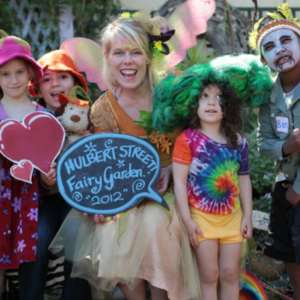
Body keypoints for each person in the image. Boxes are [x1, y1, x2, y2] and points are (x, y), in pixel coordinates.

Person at [49, 14, 203, 300]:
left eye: (135, 52)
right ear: (107, 57)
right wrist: (93, 198)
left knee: (156, 224)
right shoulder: (104, 109)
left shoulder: (170, 95)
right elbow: (99, 166)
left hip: (172, 190)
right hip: (124, 196)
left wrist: (171, 168)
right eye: (119, 52)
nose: (127, 61)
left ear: (148, 57)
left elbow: (198, 140)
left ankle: (161, 296)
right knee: (112, 229)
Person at [150, 54, 272, 300]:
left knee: (229, 275)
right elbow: (181, 182)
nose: (212, 102)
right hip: (202, 221)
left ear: (229, 105)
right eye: (204, 96)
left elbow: (244, 179)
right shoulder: (187, 140)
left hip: (232, 221)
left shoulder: (238, 142)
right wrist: (187, 221)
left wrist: (247, 215)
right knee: (209, 275)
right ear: (194, 103)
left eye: (219, 97)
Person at [25, 49, 92, 300]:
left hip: (78, 200)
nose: (55, 84)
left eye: (63, 77)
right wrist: (43, 179)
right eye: (47, 79)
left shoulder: (88, 115)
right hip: (44, 200)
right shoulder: (31, 118)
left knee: (80, 237)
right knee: (37, 239)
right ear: (38, 88)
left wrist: (92, 141)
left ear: (75, 82)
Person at [249, 3, 300, 299]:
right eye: (269, 46)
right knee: (288, 251)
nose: (278, 49)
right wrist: (286, 145)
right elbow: (262, 143)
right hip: (283, 187)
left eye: (285, 40)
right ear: (263, 58)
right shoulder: (269, 97)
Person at [0, 30, 56, 299]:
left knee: (31, 249)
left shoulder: (43, 116)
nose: (13, 80)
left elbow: (47, 163)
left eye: (19, 72)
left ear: (31, 75)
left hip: (28, 202)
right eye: (5, 74)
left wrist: (48, 177)